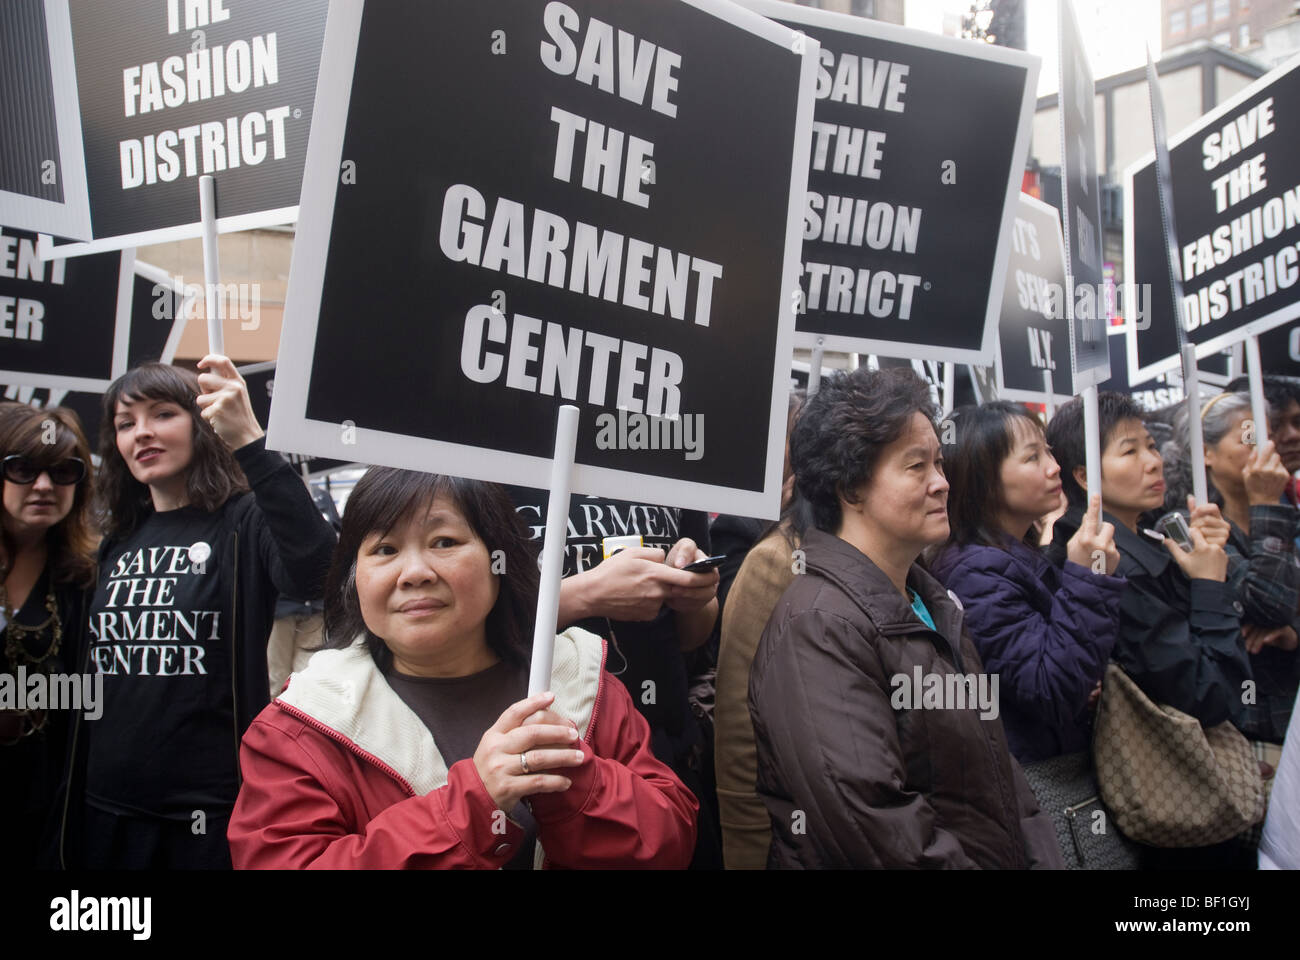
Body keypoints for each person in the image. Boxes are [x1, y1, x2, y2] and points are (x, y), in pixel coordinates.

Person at [227, 469, 698, 868]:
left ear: (500, 561)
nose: (414, 572)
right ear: (354, 576)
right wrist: (472, 804)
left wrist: (574, 778)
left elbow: (669, 841)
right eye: (385, 550)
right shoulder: (302, 725)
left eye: (444, 541)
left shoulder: (580, 678)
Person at [749, 367, 1062, 868]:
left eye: (939, 462)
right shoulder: (818, 625)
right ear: (851, 488)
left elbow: (1001, 775)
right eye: (916, 466)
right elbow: (871, 822)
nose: (942, 483)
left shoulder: (936, 603)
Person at [64, 359, 337, 869]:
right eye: (126, 424)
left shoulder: (242, 521)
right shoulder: (117, 541)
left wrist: (251, 443)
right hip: (107, 811)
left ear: (201, 422)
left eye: (162, 414)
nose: (142, 432)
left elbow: (318, 572)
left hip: (207, 818)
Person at [505, 485, 721, 867]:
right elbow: (460, 614)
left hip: (666, 756)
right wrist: (581, 595)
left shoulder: (665, 448)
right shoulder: (491, 454)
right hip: (543, 759)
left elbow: (692, 636)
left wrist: (693, 593)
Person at [929, 402, 1124, 764]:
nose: (1054, 467)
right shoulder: (976, 571)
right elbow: (1050, 688)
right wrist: (1089, 580)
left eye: (1048, 451)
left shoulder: (1011, 554)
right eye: (1033, 457)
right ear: (983, 479)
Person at [1045, 392, 1250, 728]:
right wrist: (1209, 584)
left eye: (1152, 446)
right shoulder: (1113, 567)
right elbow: (1211, 694)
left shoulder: (1145, 540)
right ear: (1084, 476)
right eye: (1130, 451)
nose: (1154, 461)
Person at [1163, 392, 1300, 751]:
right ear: (1205, 453)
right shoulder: (1190, 527)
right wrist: (1268, 502)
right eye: (1250, 437)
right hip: (1247, 731)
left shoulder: (1292, 514)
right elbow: (1269, 604)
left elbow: (1286, 613)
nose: (1267, 448)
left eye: (1268, 436)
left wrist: (1293, 633)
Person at [0, 404, 96, 869]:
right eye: (22, 468)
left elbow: (88, 694)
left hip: (46, 798)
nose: (42, 485)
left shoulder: (86, 578)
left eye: (62, 471)